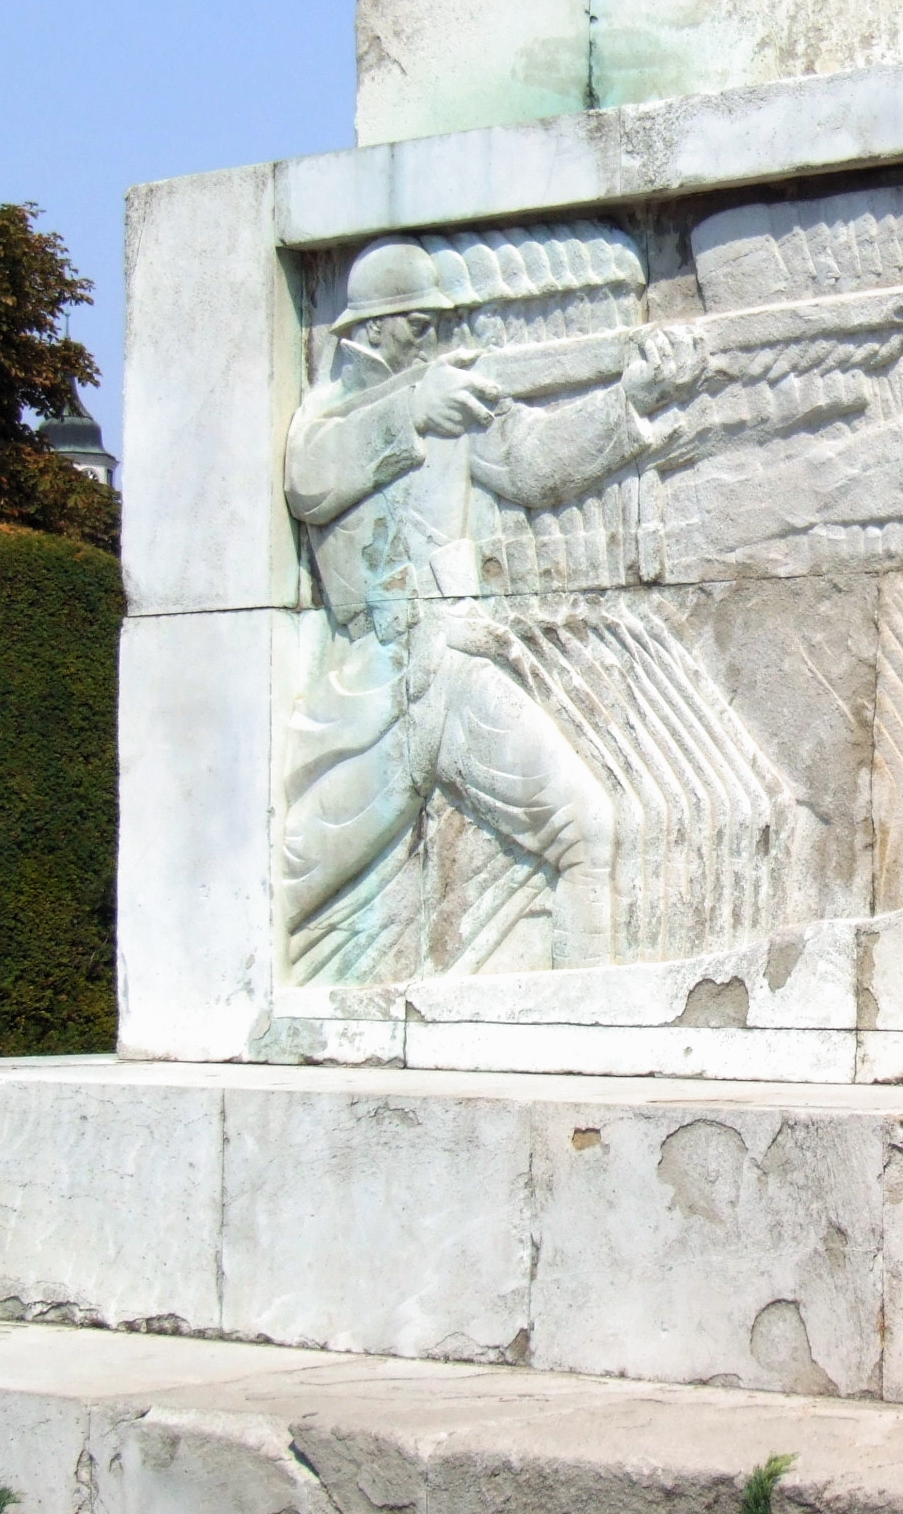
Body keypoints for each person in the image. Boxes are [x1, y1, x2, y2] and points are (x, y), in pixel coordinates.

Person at [279, 233, 702, 981]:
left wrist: (630, 398)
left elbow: (535, 463)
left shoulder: (449, 397)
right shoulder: (334, 413)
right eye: (418, 321)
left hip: (450, 663)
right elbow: (311, 480)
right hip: (373, 686)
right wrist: (412, 411)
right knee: (298, 879)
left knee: (585, 829)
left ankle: (580, 1017)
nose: (434, 335)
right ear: (372, 328)